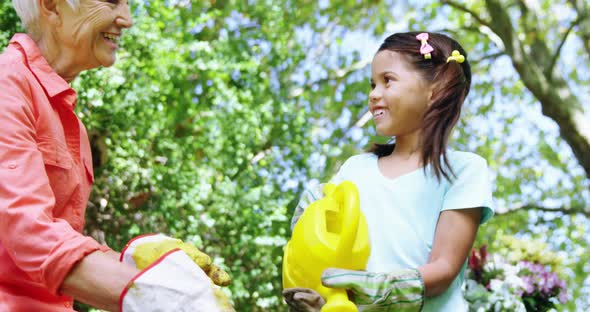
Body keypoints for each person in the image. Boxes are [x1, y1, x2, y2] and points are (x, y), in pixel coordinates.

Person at [0, 1, 230, 311]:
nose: (127, 19)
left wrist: (142, 263)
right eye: (111, 1)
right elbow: (30, 233)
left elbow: (62, 244)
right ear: (52, 5)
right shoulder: (8, 85)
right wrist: (158, 294)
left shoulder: (73, 126)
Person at [283, 32, 494, 311]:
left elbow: (444, 266)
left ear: (437, 88)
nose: (373, 94)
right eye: (372, 84)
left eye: (387, 80)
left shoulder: (464, 170)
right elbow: (322, 244)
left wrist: (379, 289)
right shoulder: (355, 169)